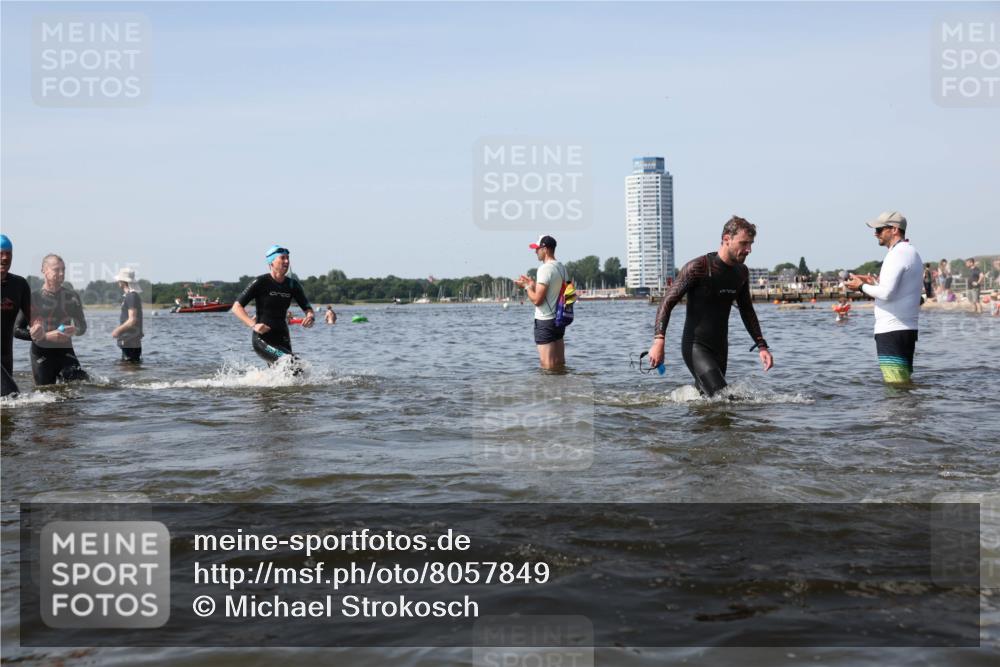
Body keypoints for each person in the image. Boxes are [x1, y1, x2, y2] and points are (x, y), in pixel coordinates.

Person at [647, 216, 774, 396]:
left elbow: (747, 311)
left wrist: (761, 345)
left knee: (708, 401)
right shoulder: (698, 267)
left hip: (721, 349)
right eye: (744, 243)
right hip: (696, 346)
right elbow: (667, 302)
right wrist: (659, 341)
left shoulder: (741, 273)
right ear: (726, 239)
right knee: (723, 398)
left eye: (751, 244)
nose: (749, 249)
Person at [846, 211, 923, 384]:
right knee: (903, 383)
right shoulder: (911, 252)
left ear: (894, 229)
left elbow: (886, 293)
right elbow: (903, 291)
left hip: (892, 330)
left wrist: (861, 286)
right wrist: (873, 282)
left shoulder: (897, 254)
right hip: (906, 329)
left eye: (879, 229)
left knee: (895, 385)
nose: (875, 234)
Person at [231, 245, 315, 370]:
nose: (287, 261)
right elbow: (236, 307)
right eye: (282, 258)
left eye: (288, 258)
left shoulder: (292, 285)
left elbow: (307, 308)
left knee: (290, 372)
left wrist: (310, 317)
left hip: (283, 336)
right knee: (292, 363)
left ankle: (261, 381)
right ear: (271, 262)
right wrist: (253, 325)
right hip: (262, 338)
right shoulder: (260, 282)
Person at [14, 254, 89, 386]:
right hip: (41, 355)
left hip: (65, 351)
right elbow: (16, 330)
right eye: (56, 269)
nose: (61, 273)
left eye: (63, 269)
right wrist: (45, 336)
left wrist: (75, 330)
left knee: (81, 385)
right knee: (45, 394)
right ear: (44, 270)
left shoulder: (72, 297)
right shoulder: (32, 298)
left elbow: (82, 327)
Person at [514, 235, 569, 370]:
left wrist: (527, 287)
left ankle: (549, 385)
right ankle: (563, 384)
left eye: (537, 248)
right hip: (559, 319)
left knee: (547, 366)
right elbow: (553, 292)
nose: (535, 252)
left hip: (545, 321)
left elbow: (537, 300)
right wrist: (533, 285)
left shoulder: (544, 269)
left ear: (545, 249)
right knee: (559, 364)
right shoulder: (562, 267)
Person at [1, 234, 31, 397]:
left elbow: (34, 319)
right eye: (0, 253)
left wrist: (42, 330)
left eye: (8, 253)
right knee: (12, 396)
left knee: (7, 405)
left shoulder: (19, 284)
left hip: (6, 358)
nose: (5, 258)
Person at [111, 267, 144, 362]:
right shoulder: (132, 295)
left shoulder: (131, 296)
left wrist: (117, 331)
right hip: (132, 340)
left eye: (119, 280)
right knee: (132, 366)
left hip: (130, 340)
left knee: (128, 367)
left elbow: (132, 320)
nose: (118, 282)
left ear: (123, 282)